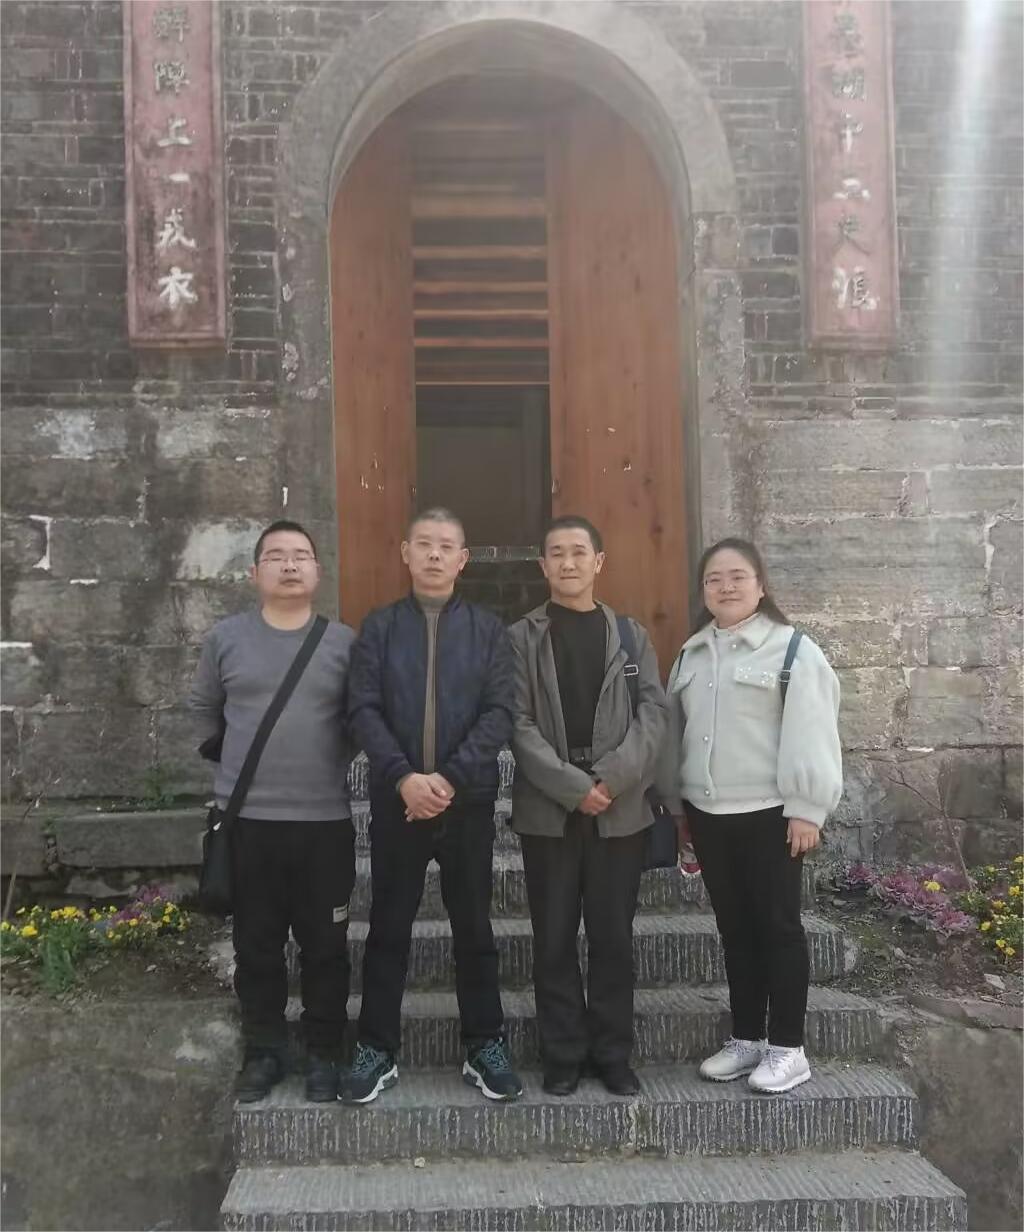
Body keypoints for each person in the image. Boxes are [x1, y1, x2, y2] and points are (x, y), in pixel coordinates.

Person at [340, 507, 521, 1105]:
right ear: (406, 552)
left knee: (474, 926)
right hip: (399, 803)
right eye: (424, 544)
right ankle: (376, 1048)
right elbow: (362, 709)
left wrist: (445, 779)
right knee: (388, 926)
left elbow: (500, 712)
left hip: (467, 802)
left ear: (463, 559)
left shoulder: (488, 630)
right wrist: (403, 779)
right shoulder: (379, 627)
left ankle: (485, 1044)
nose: (435, 554)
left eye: (446, 546)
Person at [656, 537, 842, 1094]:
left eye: (738, 576)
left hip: (772, 815)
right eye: (714, 579)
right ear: (703, 591)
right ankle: (746, 1038)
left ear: (761, 585)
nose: (726, 586)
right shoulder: (691, 654)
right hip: (709, 814)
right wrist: (679, 809)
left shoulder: (792, 650)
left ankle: (788, 1048)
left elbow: (813, 731)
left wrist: (807, 809)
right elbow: (675, 736)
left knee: (778, 928)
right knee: (735, 930)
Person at [189, 520, 357, 1103]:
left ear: (317, 571)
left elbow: (360, 720)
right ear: (254, 571)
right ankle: (263, 1052)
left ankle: (324, 1053)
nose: (289, 565)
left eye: (301, 555)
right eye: (277, 556)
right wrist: (234, 766)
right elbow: (204, 709)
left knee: (326, 948)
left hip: (324, 824)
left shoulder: (344, 644)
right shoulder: (227, 639)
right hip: (248, 824)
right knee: (256, 947)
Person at [509, 515, 667, 1097]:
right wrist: (575, 787)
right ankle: (562, 1054)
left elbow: (654, 714)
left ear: (599, 562)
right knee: (552, 939)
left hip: (618, 810)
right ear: (543, 565)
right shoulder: (520, 637)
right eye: (557, 553)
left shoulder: (629, 634)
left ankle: (612, 1053)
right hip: (549, 810)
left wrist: (610, 778)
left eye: (579, 551)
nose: (568, 562)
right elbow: (517, 722)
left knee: (612, 938)